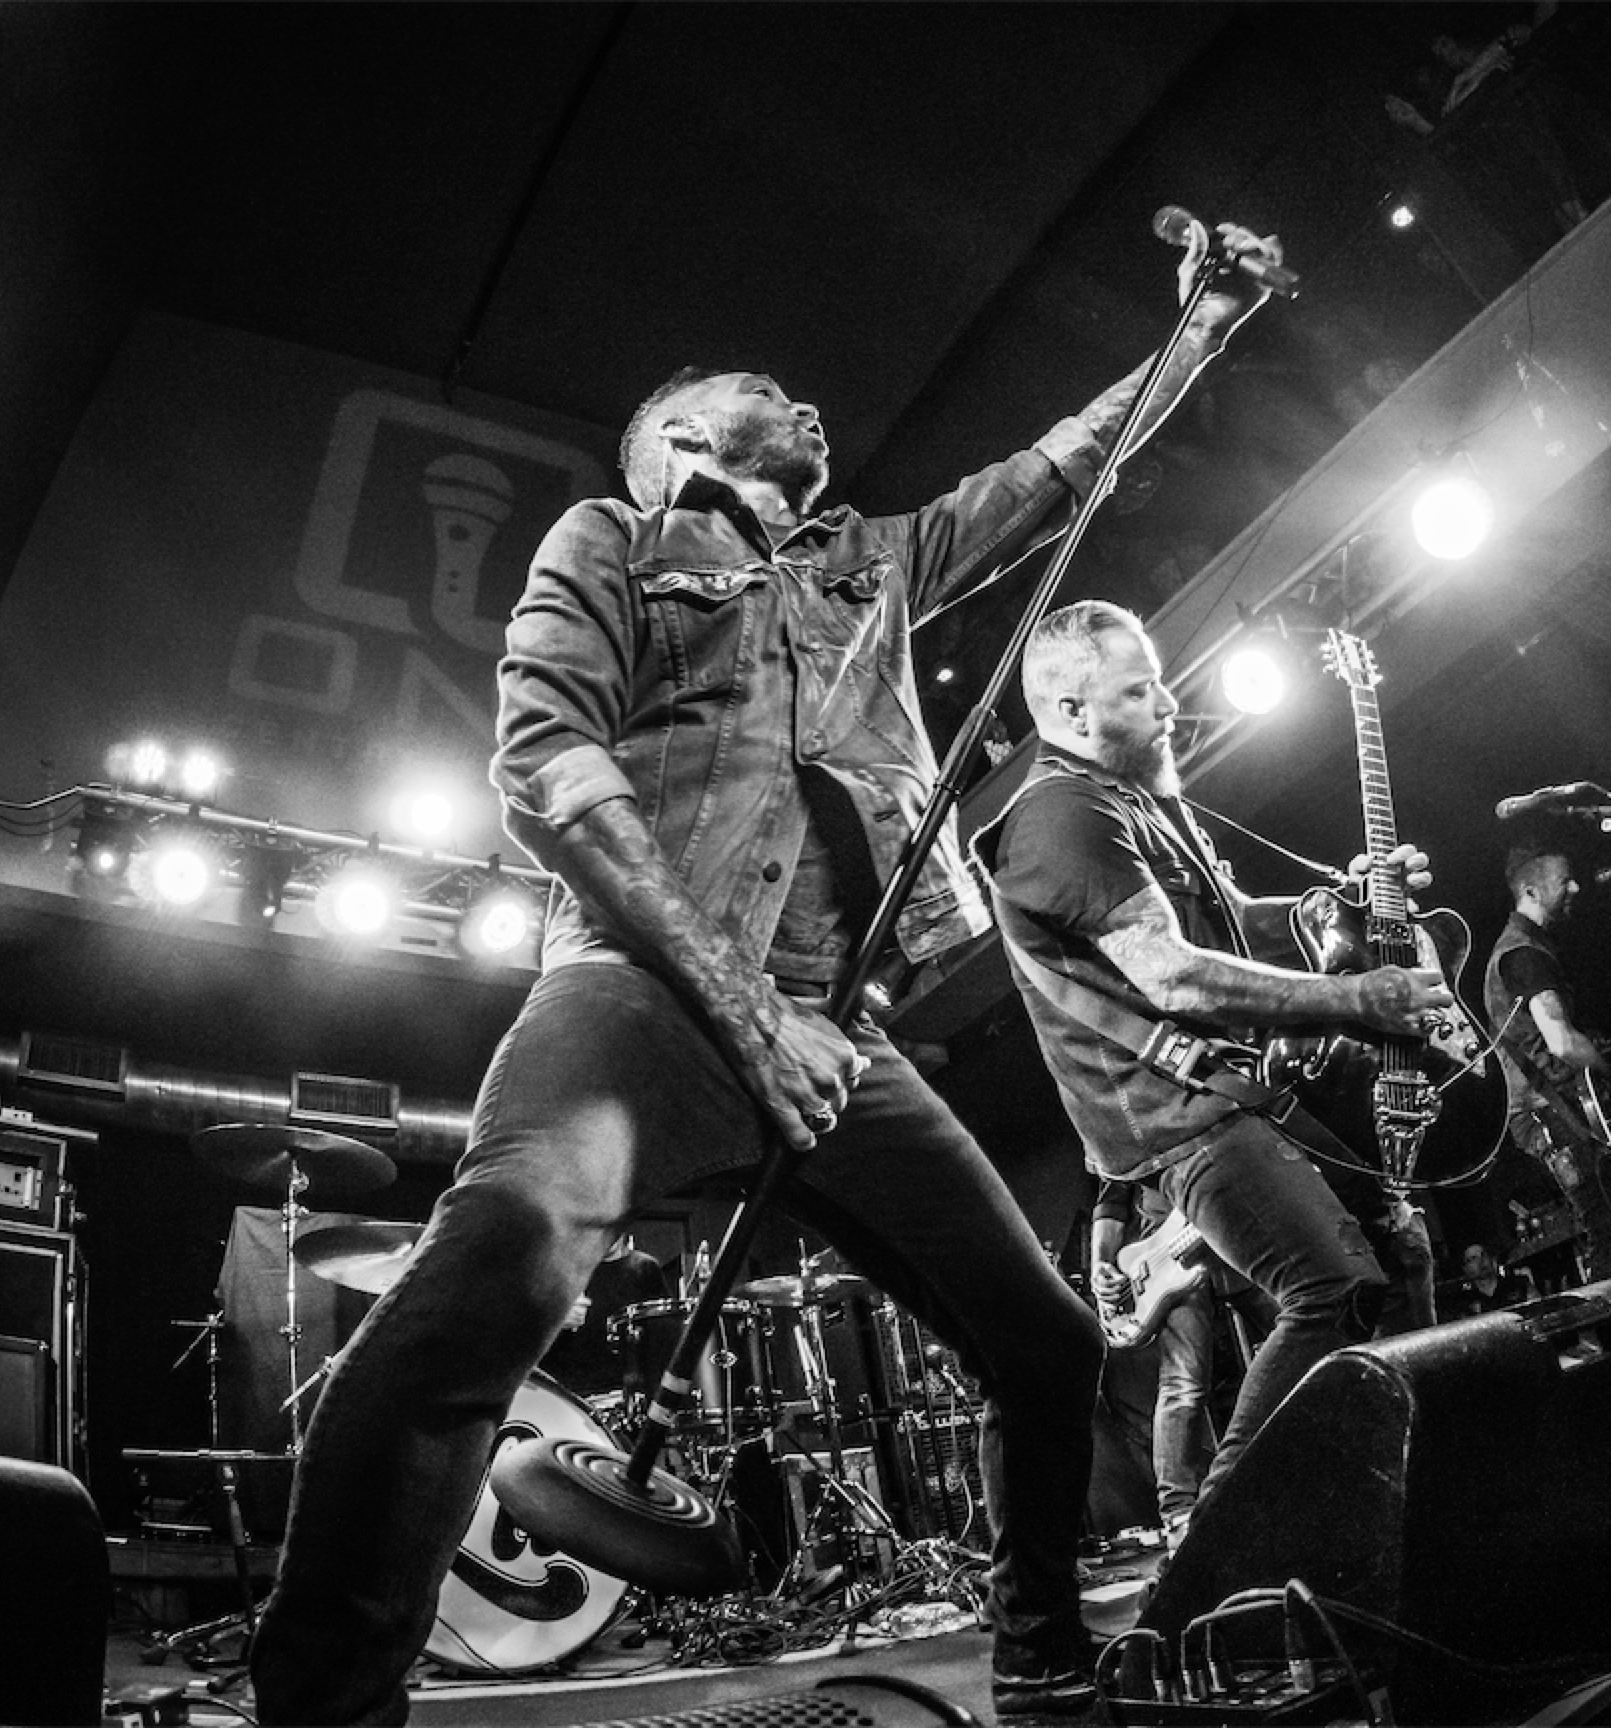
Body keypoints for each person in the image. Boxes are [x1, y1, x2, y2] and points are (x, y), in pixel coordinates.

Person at [247, 225, 1288, 1725]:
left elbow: (1060, 469)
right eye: (762, 392)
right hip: (643, 990)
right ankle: (324, 1710)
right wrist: (743, 1013)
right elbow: (545, 767)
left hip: (837, 1029)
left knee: (1051, 1343)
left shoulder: (873, 564)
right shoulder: (610, 542)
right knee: (496, 1264)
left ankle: (1042, 1652)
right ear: (681, 440)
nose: (805, 403)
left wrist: (1203, 328)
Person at [972, 600, 1453, 1516]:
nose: (1168, 703)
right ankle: (1216, 1532)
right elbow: (1177, 975)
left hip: (1236, 1095)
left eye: (1158, 681)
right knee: (1331, 1288)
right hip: (1178, 1116)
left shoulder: (1144, 802)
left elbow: (1235, 928)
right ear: (1072, 712)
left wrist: (1336, 906)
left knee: (1400, 1249)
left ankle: (1402, 1491)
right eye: (1138, 690)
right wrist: (1357, 998)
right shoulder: (1062, 816)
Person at [1481, 846, 1611, 1284]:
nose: (1576, 887)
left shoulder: (1523, 948)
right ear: (1531, 890)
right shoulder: (1523, 954)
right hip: (1550, 1110)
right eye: (1564, 880)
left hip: (1551, 1107)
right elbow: (1561, 1042)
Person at [1088, 1177, 1216, 1549]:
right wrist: (1100, 1266)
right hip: (1169, 1254)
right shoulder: (1121, 1140)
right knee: (1184, 1382)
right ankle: (1179, 1514)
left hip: (1229, 1233)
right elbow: (1112, 1200)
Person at [537, 1230, 671, 1413]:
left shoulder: (644, 1268)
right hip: (567, 1401)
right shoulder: (561, 1267)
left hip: (628, 1402)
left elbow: (663, 1341)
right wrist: (556, 1318)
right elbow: (519, 1337)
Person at [1451, 1241, 1533, 1317]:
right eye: (1474, 1258)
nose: (1481, 1261)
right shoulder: (1464, 1303)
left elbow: (1537, 1310)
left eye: (1483, 1255)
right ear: (1466, 1269)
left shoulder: (1519, 1284)